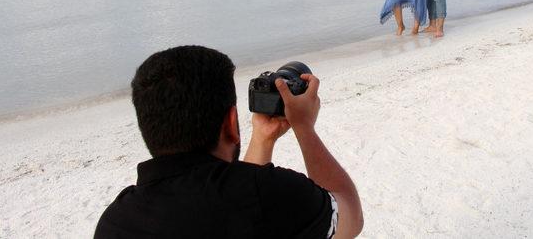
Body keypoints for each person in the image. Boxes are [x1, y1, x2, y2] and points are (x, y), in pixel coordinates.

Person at [94, 45, 363, 239]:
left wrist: (263, 137)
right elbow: (350, 216)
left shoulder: (116, 222)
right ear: (231, 123)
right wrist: (305, 129)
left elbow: (235, 190)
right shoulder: (272, 194)